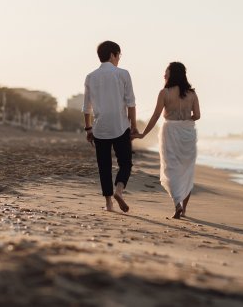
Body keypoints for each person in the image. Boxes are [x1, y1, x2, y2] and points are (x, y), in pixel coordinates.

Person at [133, 62, 200, 219]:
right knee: (186, 170)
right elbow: (197, 115)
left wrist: (143, 134)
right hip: (187, 132)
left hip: (170, 131)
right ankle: (184, 208)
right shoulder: (192, 94)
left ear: (172, 74)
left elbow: (156, 116)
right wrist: (185, 119)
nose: (164, 75)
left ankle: (177, 204)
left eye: (166, 72)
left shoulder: (164, 93)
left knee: (171, 169)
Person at [82, 41, 138, 212]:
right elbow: (131, 103)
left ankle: (108, 203)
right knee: (126, 163)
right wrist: (133, 126)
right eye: (119, 55)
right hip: (120, 126)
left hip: (100, 128)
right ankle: (119, 190)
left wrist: (88, 129)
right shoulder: (123, 74)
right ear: (113, 54)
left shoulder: (91, 76)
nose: (119, 59)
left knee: (104, 166)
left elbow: (87, 107)